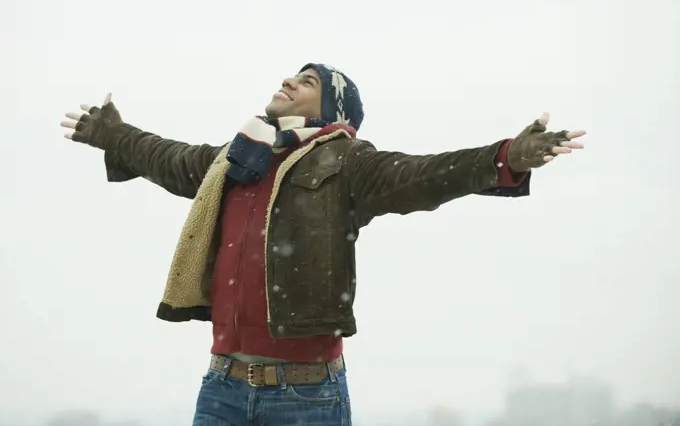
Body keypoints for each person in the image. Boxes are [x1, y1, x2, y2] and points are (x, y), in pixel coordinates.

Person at [60, 63, 586, 426]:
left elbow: (424, 176)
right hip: (221, 387)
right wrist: (110, 134)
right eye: (292, 73)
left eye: (307, 80)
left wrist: (508, 156)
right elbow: (167, 157)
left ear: (331, 110)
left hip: (306, 396)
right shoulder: (234, 160)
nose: (288, 79)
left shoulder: (347, 164)